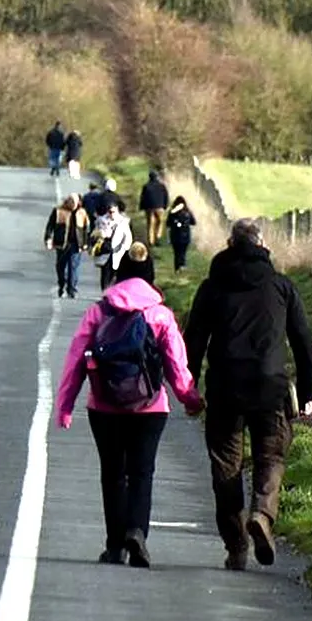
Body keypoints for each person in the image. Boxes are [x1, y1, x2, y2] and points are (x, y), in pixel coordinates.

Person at [57, 243, 204, 568]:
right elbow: (177, 366)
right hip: (149, 408)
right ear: (150, 276)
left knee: (112, 474)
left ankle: (114, 546)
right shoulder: (160, 314)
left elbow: (75, 360)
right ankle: (137, 531)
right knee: (142, 472)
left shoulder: (100, 311)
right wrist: (190, 399)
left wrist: (65, 406)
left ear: (120, 273)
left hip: (104, 406)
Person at [185, 219, 312, 571]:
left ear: (229, 244)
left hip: (225, 387)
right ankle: (262, 512)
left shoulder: (212, 287)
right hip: (270, 386)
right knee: (271, 457)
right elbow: (304, 342)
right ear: (262, 245)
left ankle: (236, 546)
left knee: (226, 467)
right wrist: (306, 390)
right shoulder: (281, 286)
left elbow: (194, 340)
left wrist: (189, 387)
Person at [44, 193, 88, 298]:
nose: (73, 204)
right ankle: (62, 285)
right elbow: (50, 226)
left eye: (75, 202)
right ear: (67, 201)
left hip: (76, 244)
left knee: (73, 267)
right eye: (71, 202)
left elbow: (86, 229)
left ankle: (71, 289)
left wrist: (86, 243)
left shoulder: (82, 213)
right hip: (62, 244)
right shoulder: (58, 211)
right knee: (61, 267)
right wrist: (48, 239)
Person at [90, 200, 133, 291]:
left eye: (113, 212)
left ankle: (113, 291)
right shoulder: (101, 220)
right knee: (105, 272)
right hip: (106, 248)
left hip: (119, 249)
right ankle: (105, 292)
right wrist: (99, 235)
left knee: (116, 272)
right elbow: (94, 234)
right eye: (110, 212)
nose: (111, 214)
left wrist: (126, 247)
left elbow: (128, 235)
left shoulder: (123, 221)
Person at [165, 196, 196, 272]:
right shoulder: (187, 212)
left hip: (175, 236)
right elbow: (193, 222)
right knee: (183, 252)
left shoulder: (172, 213)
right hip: (185, 236)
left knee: (176, 253)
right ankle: (182, 266)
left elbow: (168, 224)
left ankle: (177, 267)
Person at [139, 170, 169, 245]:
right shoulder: (162, 186)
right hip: (160, 208)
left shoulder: (146, 186)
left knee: (150, 225)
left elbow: (143, 198)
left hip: (149, 208)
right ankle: (158, 237)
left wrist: (142, 207)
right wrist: (165, 206)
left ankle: (151, 241)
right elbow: (166, 196)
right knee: (160, 222)